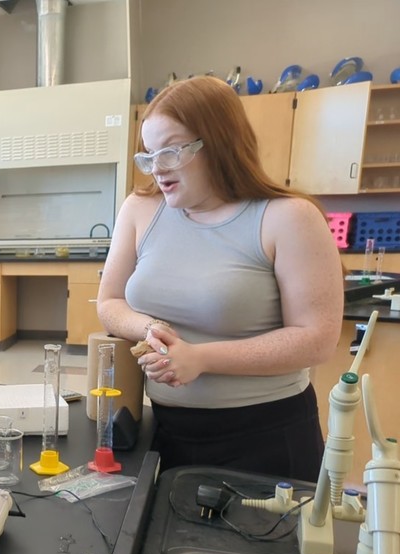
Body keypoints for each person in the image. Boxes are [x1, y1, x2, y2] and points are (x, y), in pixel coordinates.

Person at [96, 76, 343, 482]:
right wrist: (151, 328)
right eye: (149, 155)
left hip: (266, 435)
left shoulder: (288, 217)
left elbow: (316, 338)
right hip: (168, 431)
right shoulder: (140, 210)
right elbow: (110, 304)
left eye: (171, 152)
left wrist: (201, 359)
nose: (157, 169)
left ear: (219, 142)